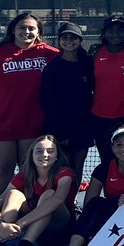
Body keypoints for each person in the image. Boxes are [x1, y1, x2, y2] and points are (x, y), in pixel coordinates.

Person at [0, 12, 60, 200]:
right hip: (3, 125)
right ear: (13, 30)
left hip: (34, 125)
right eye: (22, 27)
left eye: (31, 28)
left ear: (38, 32)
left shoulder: (50, 55)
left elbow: (71, 64)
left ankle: (27, 210)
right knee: (4, 169)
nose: (26, 31)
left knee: (29, 170)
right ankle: (3, 209)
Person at [49, 123, 124, 246]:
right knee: (95, 204)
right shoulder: (103, 168)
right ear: (113, 147)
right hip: (109, 216)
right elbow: (90, 202)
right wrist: (116, 203)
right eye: (119, 144)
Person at [0, 135, 73, 246]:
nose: (44, 155)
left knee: (49, 195)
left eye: (50, 151)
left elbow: (57, 200)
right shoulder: (24, 175)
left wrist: (19, 224)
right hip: (33, 226)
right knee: (13, 194)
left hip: (59, 227)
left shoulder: (64, 174)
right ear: (31, 155)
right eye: (39, 151)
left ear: (57, 156)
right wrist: (1, 226)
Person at [40, 21, 94, 189]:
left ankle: (72, 201)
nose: (69, 41)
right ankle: (59, 203)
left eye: (73, 38)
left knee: (78, 166)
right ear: (59, 41)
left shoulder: (87, 64)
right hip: (60, 128)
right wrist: (59, 130)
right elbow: (49, 101)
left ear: (80, 40)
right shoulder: (52, 68)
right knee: (63, 169)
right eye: (65, 37)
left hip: (83, 125)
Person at [89, 15, 124, 165]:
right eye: (111, 30)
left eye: (120, 30)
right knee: (107, 160)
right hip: (100, 115)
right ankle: (110, 188)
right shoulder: (95, 54)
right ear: (104, 33)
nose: (115, 34)